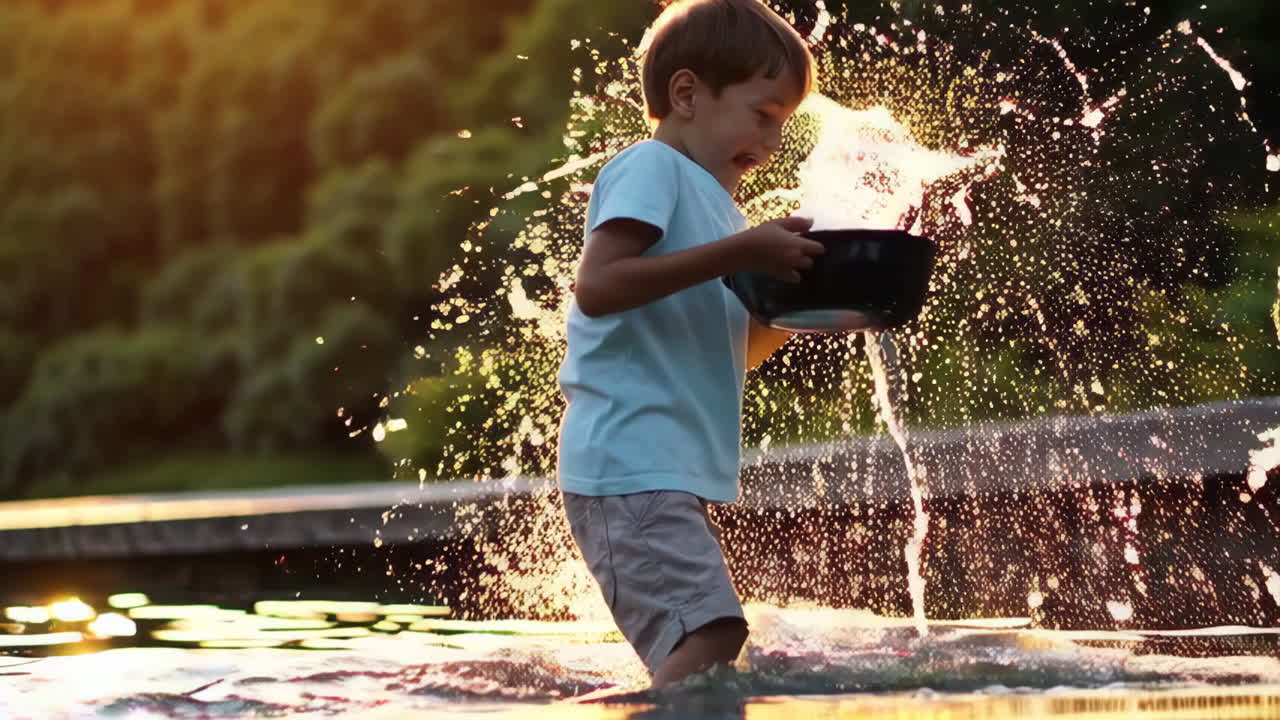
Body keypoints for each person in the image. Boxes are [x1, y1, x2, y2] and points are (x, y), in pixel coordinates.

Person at [556, 0, 823, 688]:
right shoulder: (652, 167)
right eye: (762, 113)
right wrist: (743, 249)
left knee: (703, 635)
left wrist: (816, 306)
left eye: (782, 124)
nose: (770, 140)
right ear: (686, 94)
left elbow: (735, 348)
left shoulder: (717, 207)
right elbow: (600, 283)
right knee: (711, 630)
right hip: (628, 461)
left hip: (656, 468)